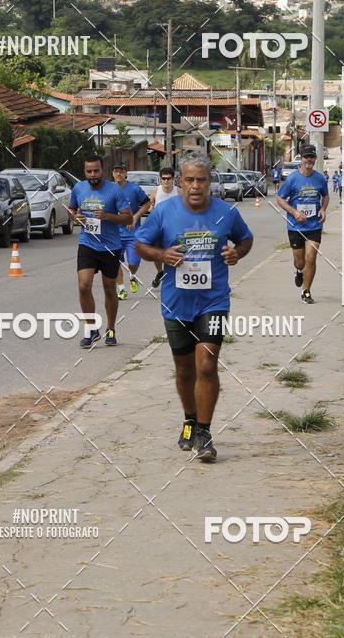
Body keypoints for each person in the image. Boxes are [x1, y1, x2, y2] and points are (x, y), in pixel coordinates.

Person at [136, 150, 253, 461]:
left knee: (206, 364)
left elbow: (245, 239)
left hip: (214, 301)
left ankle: (204, 431)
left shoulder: (226, 212)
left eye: (201, 180)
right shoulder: (164, 212)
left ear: (210, 181)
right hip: (176, 303)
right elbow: (140, 244)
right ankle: (189, 419)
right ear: (179, 182)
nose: (196, 186)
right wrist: (161, 256)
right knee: (185, 370)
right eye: (189, 180)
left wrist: (236, 254)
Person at [68, 156, 132, 347]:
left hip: (110, 246)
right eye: (89, 171)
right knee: (83, 286)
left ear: (102, 171)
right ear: (84, 172)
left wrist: (108, 216)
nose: (93, 175)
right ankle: (92, 329)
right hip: (87, 243)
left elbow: (127, 218)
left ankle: (111, 328)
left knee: (109, 289)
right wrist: (75, 217)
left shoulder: (114, 190)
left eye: (96, 171)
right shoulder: (79, 188)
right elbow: (71, 209)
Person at [275, 144, 329, 304]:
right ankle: (299, 271)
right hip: (295, 226)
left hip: (314, 225)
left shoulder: (320, 178)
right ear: (301, 158)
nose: (309, 160)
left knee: (311, 258)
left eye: (311, 156)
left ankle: (306, 291)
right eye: (306, 157)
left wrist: (324, 209)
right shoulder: (292, 178)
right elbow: (279, 198)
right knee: (300, 261)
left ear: (315, 158)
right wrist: (294, 212)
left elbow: (325, 196)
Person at [111, 163, 151, 300]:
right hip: (114, 234)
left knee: (133, 262)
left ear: (125, 173)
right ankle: (121, 289)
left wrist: (135, 217)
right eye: (116, 171)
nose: (118, 174)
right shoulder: (107, 189)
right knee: (114, 261)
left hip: (133, 233)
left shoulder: (134, 189)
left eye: (121, 171)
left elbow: (147, 203)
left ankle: (132, 276)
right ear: (112, 173)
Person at [148, 166, 180, 288]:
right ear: (160, 179)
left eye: (169, 178)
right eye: (164, 179)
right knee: (157, 253)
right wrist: (150, 208)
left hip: (174, 228)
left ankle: (173, 276)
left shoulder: (179, 192)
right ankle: (160, 272)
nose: (166, 181)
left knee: (175, 252)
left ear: (173, 179)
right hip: (159, 228)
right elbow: (149, 204)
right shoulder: (156, 191)